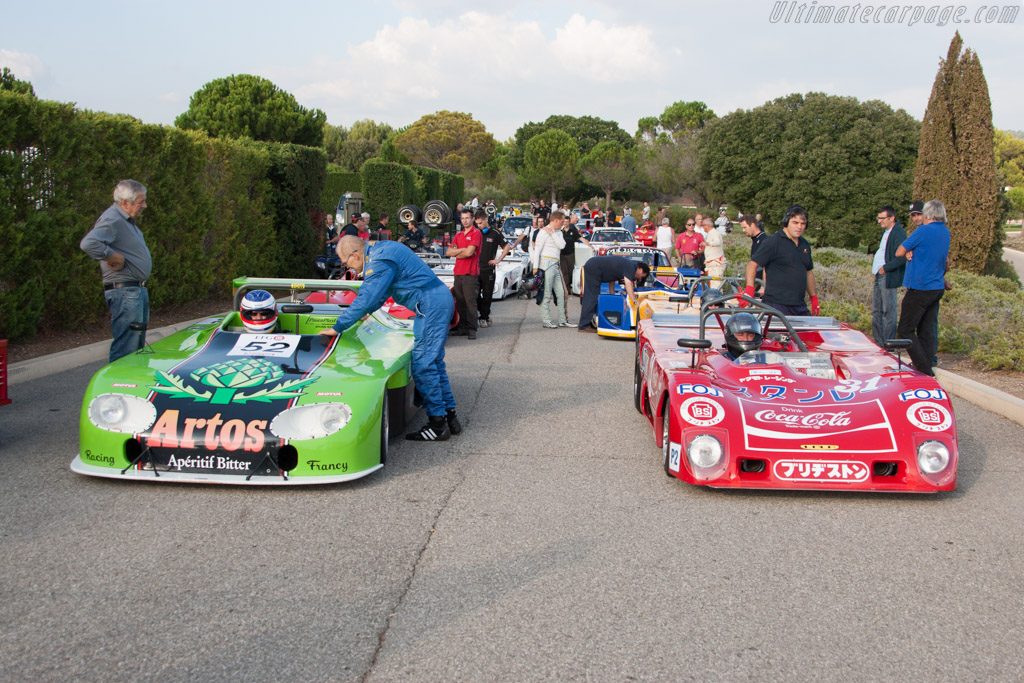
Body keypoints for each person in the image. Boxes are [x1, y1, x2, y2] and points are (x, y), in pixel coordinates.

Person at [320, 236, 460, 441]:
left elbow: (367, 297)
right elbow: (381, 293)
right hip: (437, 300)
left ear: (355, 255)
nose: (346, 267)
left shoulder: (377, 261)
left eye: (345, 262)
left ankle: (438, 425)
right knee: (434, 363)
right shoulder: (382, 249)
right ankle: (450, 418)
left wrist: (337, 327)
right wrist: (368, 312)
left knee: (423, 364)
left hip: (430, 305)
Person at [80, 179, 152, 363]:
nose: (145, 205)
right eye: (140, 202)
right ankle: (119, 388)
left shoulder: (126, 220)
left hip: (134, 290)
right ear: (125, 202)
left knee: (135, 349)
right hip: (125, 292)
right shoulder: (113, 218)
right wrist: (114, 257)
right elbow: (89, 243)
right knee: (126, 350)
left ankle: (132, 387)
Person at [895, 199, 950, 376]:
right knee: (927, 329)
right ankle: (927, 363)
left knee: (905, 329)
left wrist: (910, 251)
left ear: (927, 215)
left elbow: (899, 251)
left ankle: (923, 367)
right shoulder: (945, 232)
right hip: (936, 286)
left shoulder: (923, 230)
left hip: (920, 286)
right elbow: (943, 259)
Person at [742, 205, 818, 316]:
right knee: (777, 334)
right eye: (795, 223)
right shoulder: (773, 242)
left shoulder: (804, 244)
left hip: (799, 305)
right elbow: (752, 265)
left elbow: (808, 272)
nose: (799, 227)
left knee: (809, 333)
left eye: (802, 224)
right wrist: (749, 288)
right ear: (786, 222)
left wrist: (814, 297)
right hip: (776, 305)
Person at [578, 256, 650, 333]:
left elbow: (612, 278)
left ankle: (587, 323)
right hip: (594, 266)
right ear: (640, 270)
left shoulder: (625, 266)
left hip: (594, 265)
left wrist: (612, 294)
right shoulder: (631, 267)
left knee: (593, 296)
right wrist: (634, 300)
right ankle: (584, 325)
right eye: (641, 276)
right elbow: (628, 284)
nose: (639, 279)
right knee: (592, 297)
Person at [907, 200, 939, 365]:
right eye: (913, 215)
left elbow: (941, 258)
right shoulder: (919, 232)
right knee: (922, 324)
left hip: (928, 284)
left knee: (928, 325)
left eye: (918, 214)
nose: (916, 218)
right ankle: (925, 359)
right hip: (923, 283)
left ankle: (928, 360)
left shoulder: (929, 232)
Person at [871, 205, 907, 346]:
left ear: (891, 218)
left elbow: (901, 256)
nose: (879, 221)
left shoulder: (898, 233)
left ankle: (888, 344)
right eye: (878, 218)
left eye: (882, 218)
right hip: (879, 274)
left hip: (888, 276)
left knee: (888, 311)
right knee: (877, 311)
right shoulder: (886, 232)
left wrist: (885, 268)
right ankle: (879, 343)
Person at [447, 208, 483, 339]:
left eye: (467, 218)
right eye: (462, 218)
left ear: (472, 218)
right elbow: (449, 253)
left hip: (470, 273)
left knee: (470, 301)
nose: (465, 221)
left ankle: (472, 328)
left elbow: (470, 253)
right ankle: (463, 327)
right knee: (460, 302)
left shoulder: (476, 233)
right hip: (458, 272)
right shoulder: (458, 235)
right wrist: (463, 250)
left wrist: (459, 252)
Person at [532, 211, 570, 328]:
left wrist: (553, 234)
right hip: (546, 263)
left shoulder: (557, 232)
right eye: (562, 221)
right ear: (556, 220)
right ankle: (546, 320)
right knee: (546, 293)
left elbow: (562, 245)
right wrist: (535, 266)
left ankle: (563, 319)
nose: (563, 224)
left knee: (562, 292)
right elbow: (537, 249)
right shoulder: (543, 232)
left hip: (555, 263)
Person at [476, 208, 509, 329]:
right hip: (475, 269)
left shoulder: (495, 233)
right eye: (477, 223)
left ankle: (484, 317)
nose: (479, 226)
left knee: (487, 295)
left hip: (488, 269)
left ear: (486, 220)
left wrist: (498, 259)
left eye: (480, 223)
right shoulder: (475, 232)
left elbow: (507, 246)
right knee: (474, 294)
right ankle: (483, 312)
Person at [559, 211, 591, 298]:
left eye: (566, 222)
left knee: (570, 271)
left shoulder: (573, 231)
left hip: (571, 254)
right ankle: (566, 290)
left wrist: (589, 246)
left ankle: (570, 286)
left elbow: (581, 238)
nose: (565, 223)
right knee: (564, 272)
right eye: (564, 222)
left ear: (569, 222)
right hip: (562, 254)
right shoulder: (560, 232)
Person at [739, 214, 767, 287]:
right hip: (755, 280)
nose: (743, 230)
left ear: (752, 225)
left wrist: (763, 286)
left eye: (745, 227)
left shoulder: (763, 240)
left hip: (760, 282)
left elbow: (766, 265)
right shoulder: (755, 239)